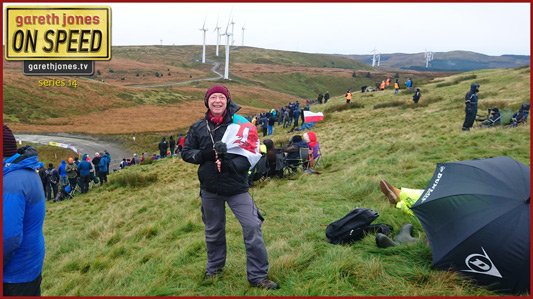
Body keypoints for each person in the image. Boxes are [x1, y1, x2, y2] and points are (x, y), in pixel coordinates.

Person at [181, 85, 278, 290]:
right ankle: (214, 271)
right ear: (207, 101)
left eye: (221, 97)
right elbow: (186, 153)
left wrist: (229, 165)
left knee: (252, 226)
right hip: (210, 189)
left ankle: (258, 277)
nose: (217, 101)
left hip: (237, 188)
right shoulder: (198, 127)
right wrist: (204, 155)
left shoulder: (241, 125)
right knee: (214, 231)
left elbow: (251, 155)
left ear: (228, 101)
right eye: (213, 97)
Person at [3, 125, 45, 296]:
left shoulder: (11, 182)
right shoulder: (24, 172)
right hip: (28, 265)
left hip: (15, 275)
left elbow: (9, 239)